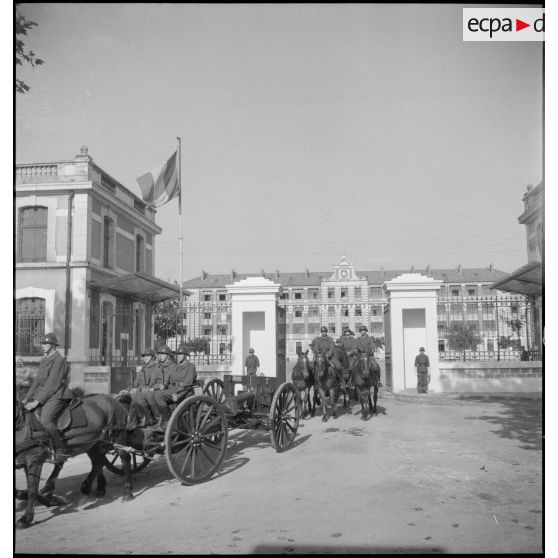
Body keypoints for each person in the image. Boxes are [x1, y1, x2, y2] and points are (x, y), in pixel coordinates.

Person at [22, 333, 72, 462]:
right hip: (45, 394)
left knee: (45, 421)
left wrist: (36, 402)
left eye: (45, 344)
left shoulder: (59, 360)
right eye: (42, 344)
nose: (43, 346)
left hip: (57, 395)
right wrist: (26, 398)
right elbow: (37, 381)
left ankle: (61, 450)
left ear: (53, 345)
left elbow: (52, 384)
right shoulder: (44, 359)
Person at [154, 343, 197, 428]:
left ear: (185, 356)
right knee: (157, 394)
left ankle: (167, 422)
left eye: (181, 354)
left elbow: (188, 384)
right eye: (177, 355)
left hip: (185, 393)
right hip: (174, 390)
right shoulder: (175, 367)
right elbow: (169, 381)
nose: (178, 356)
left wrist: (179, 394)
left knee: (159, 396)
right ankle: (166, 420)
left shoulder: (190, 367)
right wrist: (162, 387)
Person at [129, 348, 160, 427]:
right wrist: (132, 389)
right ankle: (140, 418)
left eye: (148, 356)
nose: (145, 358)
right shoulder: (143, 369)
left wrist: (149, 388)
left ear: (153, 357)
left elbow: (159, 382)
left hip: (154, 391)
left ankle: (150, 419)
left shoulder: (157, 367)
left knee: (139, 397)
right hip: (143, 390)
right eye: (144, 356)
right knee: (132, 396)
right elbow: (136, 382)